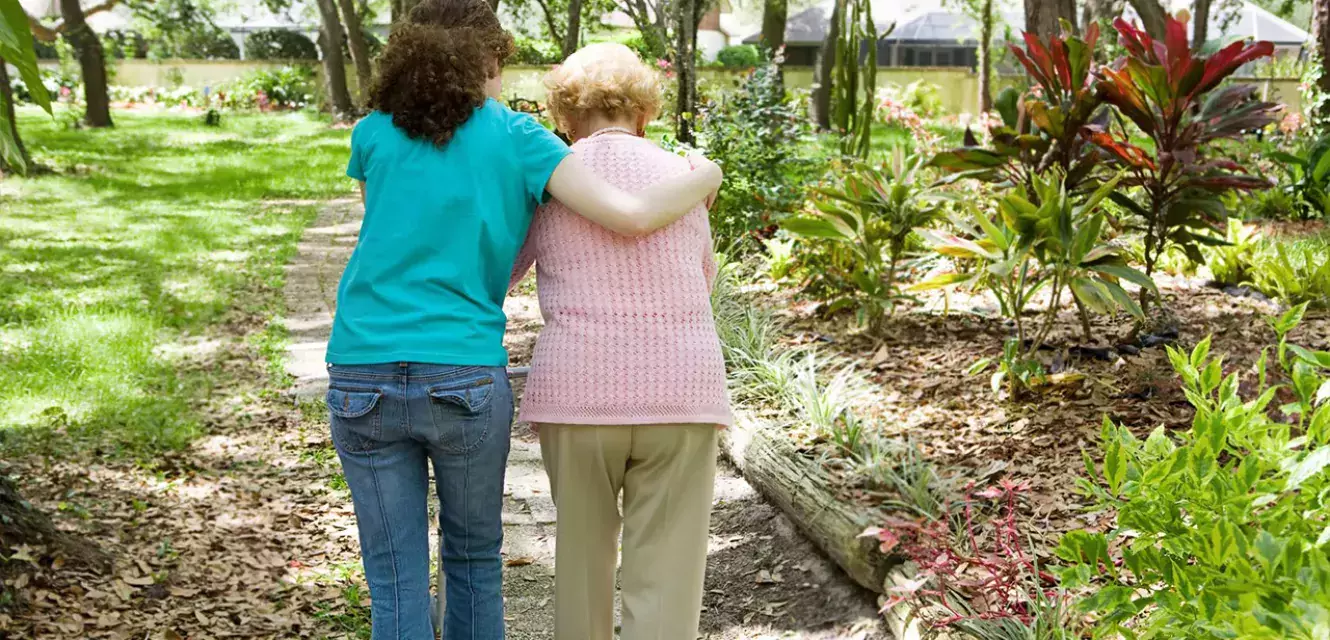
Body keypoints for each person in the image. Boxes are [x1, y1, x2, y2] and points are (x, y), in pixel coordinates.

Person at [324, 2, 723, 638]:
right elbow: (633, 218)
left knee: (394, 572)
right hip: (463, 371)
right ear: (485, 59)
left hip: (362, 365)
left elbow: (395, 235)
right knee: (474, 556)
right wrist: (707, 172)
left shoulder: (371, 131)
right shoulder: (517, 139)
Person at [508, 43, 733, 640]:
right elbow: (702, 280)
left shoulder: (549, 180)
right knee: (667, 577)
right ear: (644, 112)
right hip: (682, 391)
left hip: (577, 393)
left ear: (564, 115)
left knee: (581, 566)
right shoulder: (685, 179)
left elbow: (501, 273)